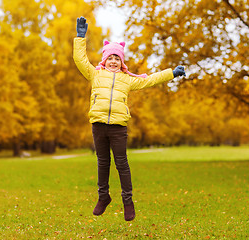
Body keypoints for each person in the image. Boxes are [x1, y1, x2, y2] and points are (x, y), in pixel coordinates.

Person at [73, 16, 186, 221]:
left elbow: (150, 79)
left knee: (122, 163)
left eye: (117, 58)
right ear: (104, 60)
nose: (114, 61)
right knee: (102, 163)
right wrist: (80, 37)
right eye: (110, 58)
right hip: (98, 124)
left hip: (118, 128)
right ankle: (103, 197)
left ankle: (127, 201)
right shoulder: (95, 75)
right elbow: (80, 60)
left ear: (121, 61)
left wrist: (172, 73)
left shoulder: (128, 80)